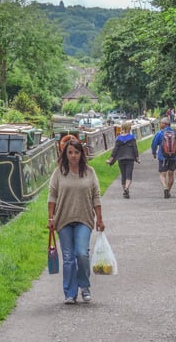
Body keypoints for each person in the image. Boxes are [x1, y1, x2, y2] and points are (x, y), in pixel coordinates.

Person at [47, 139, 104, 305]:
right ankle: (70, 293)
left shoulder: (89, 172)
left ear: (81, 154)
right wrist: (51, 218)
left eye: (76, 152)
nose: (73, 156)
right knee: (68, 258)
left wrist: (99, 218)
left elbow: (96, 196)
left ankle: (84, 286)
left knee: (81, 253)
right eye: (70, 152)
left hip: (84, 218)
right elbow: (52, 196)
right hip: (63, 219)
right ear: (65, 153)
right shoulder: (59, 173)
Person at [151, 116, 176, 199]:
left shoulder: (160, 133)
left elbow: (153, 144)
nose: (160, 125)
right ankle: (168, 191)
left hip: (162, 157)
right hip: (173, 157)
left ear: (164, 124)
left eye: (161, 123)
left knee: (162, 175)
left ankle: (165, 187)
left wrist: (154, 153)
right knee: (171, 174)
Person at [107, 120, 140, 199]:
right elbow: (135, 149)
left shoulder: (118, 138)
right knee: (129, 175)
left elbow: (115, 150)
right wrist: (137, 158)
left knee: (123, 175)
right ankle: (127, 188)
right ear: (129, 128)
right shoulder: (132, 138)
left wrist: (111, 159)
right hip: (130, 159)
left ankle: (124, 190)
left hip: (121, 159)